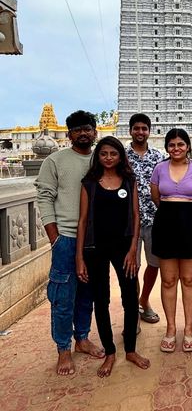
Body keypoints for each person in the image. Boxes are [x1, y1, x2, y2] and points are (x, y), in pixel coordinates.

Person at [35, 110, 104, 376]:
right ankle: (63, 348)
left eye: (88, 128)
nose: (83, 133)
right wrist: (55, 236)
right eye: (77, 130)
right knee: (64, 296)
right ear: (69, 134)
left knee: (88, 293)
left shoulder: (101, 160)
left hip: (94, 241)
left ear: (95, 132)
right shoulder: (54, 161)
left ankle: (83, 338)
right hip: (66, 238)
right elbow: (44, 197)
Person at [75, 136, 150, 377]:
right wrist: (79, 257)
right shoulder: (89, 183)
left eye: (113, 154)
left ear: (120, 156)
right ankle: (109, 351)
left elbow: (136, 216)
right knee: (101, 300)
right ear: (98, 156)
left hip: (123, 248)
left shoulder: (129, 181)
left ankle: (130, 349)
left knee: (130, 298)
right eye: (104, 154)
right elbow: (83, 221)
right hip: (95, 248)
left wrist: (132, 250)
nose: (108, 158)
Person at [150, 129, 192, 352]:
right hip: (165, 224)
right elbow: (156, 198)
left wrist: (189, 218)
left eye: (180, 144)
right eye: (172, 144)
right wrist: (172, 214)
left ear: (187, 146)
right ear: (167, 147)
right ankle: (171, 329)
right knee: (168, 280)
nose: (176, 148)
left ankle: (189, 329)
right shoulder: (159, 169)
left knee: (190, 279)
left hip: (190, 225)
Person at [126, 113, 164, 323]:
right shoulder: (121, 156)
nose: (140, 132)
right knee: (132, 266)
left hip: (154, 219)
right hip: (128, 223)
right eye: (136, 128)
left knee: (154, 264)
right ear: (130, 130)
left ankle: (144, 300)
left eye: (144, 128)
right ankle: (133, 309)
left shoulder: (158, 157)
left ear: (149, 131)